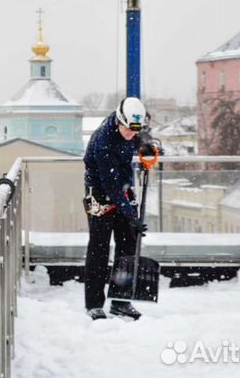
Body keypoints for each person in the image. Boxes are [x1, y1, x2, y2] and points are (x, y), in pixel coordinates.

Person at [83, 97, 150, 321]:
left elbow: (137, 137)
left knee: (128, 248)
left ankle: (121, 301)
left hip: (122, 189)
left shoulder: (128, 127)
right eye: (129, 130)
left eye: (135, 131)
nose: (131, 134)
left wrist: (145, 146)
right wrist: (132, 215)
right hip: (101, 194)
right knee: (99, 250)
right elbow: (110, 186)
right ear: (119, 121)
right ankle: (94, 304)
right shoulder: (104, 142)